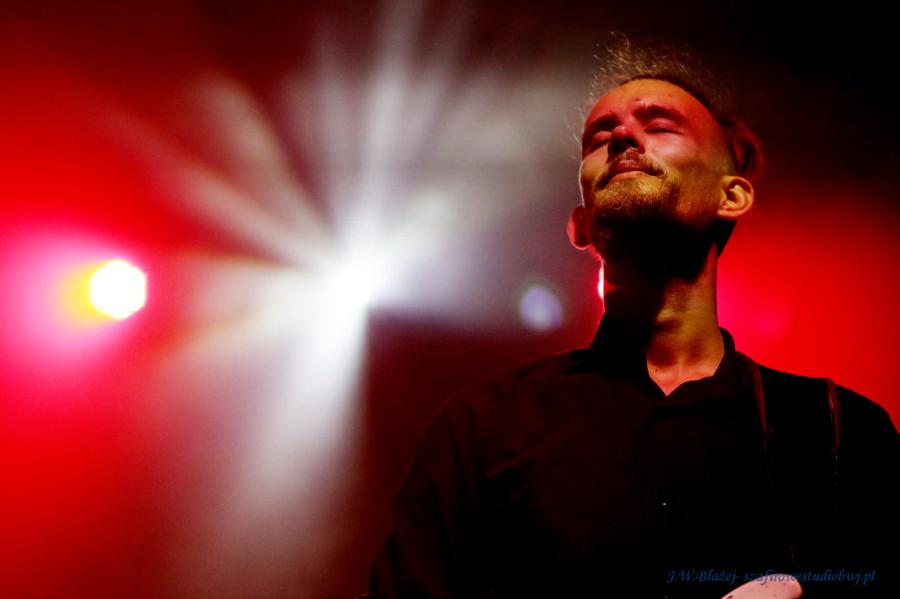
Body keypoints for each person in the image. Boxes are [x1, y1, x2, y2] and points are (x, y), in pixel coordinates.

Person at [363, 37, 899, 599]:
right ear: (581, 224)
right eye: (600, 137)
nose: (621, 137)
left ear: (733, 196)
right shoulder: (482, 428)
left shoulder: (838, 429)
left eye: (660, 125)